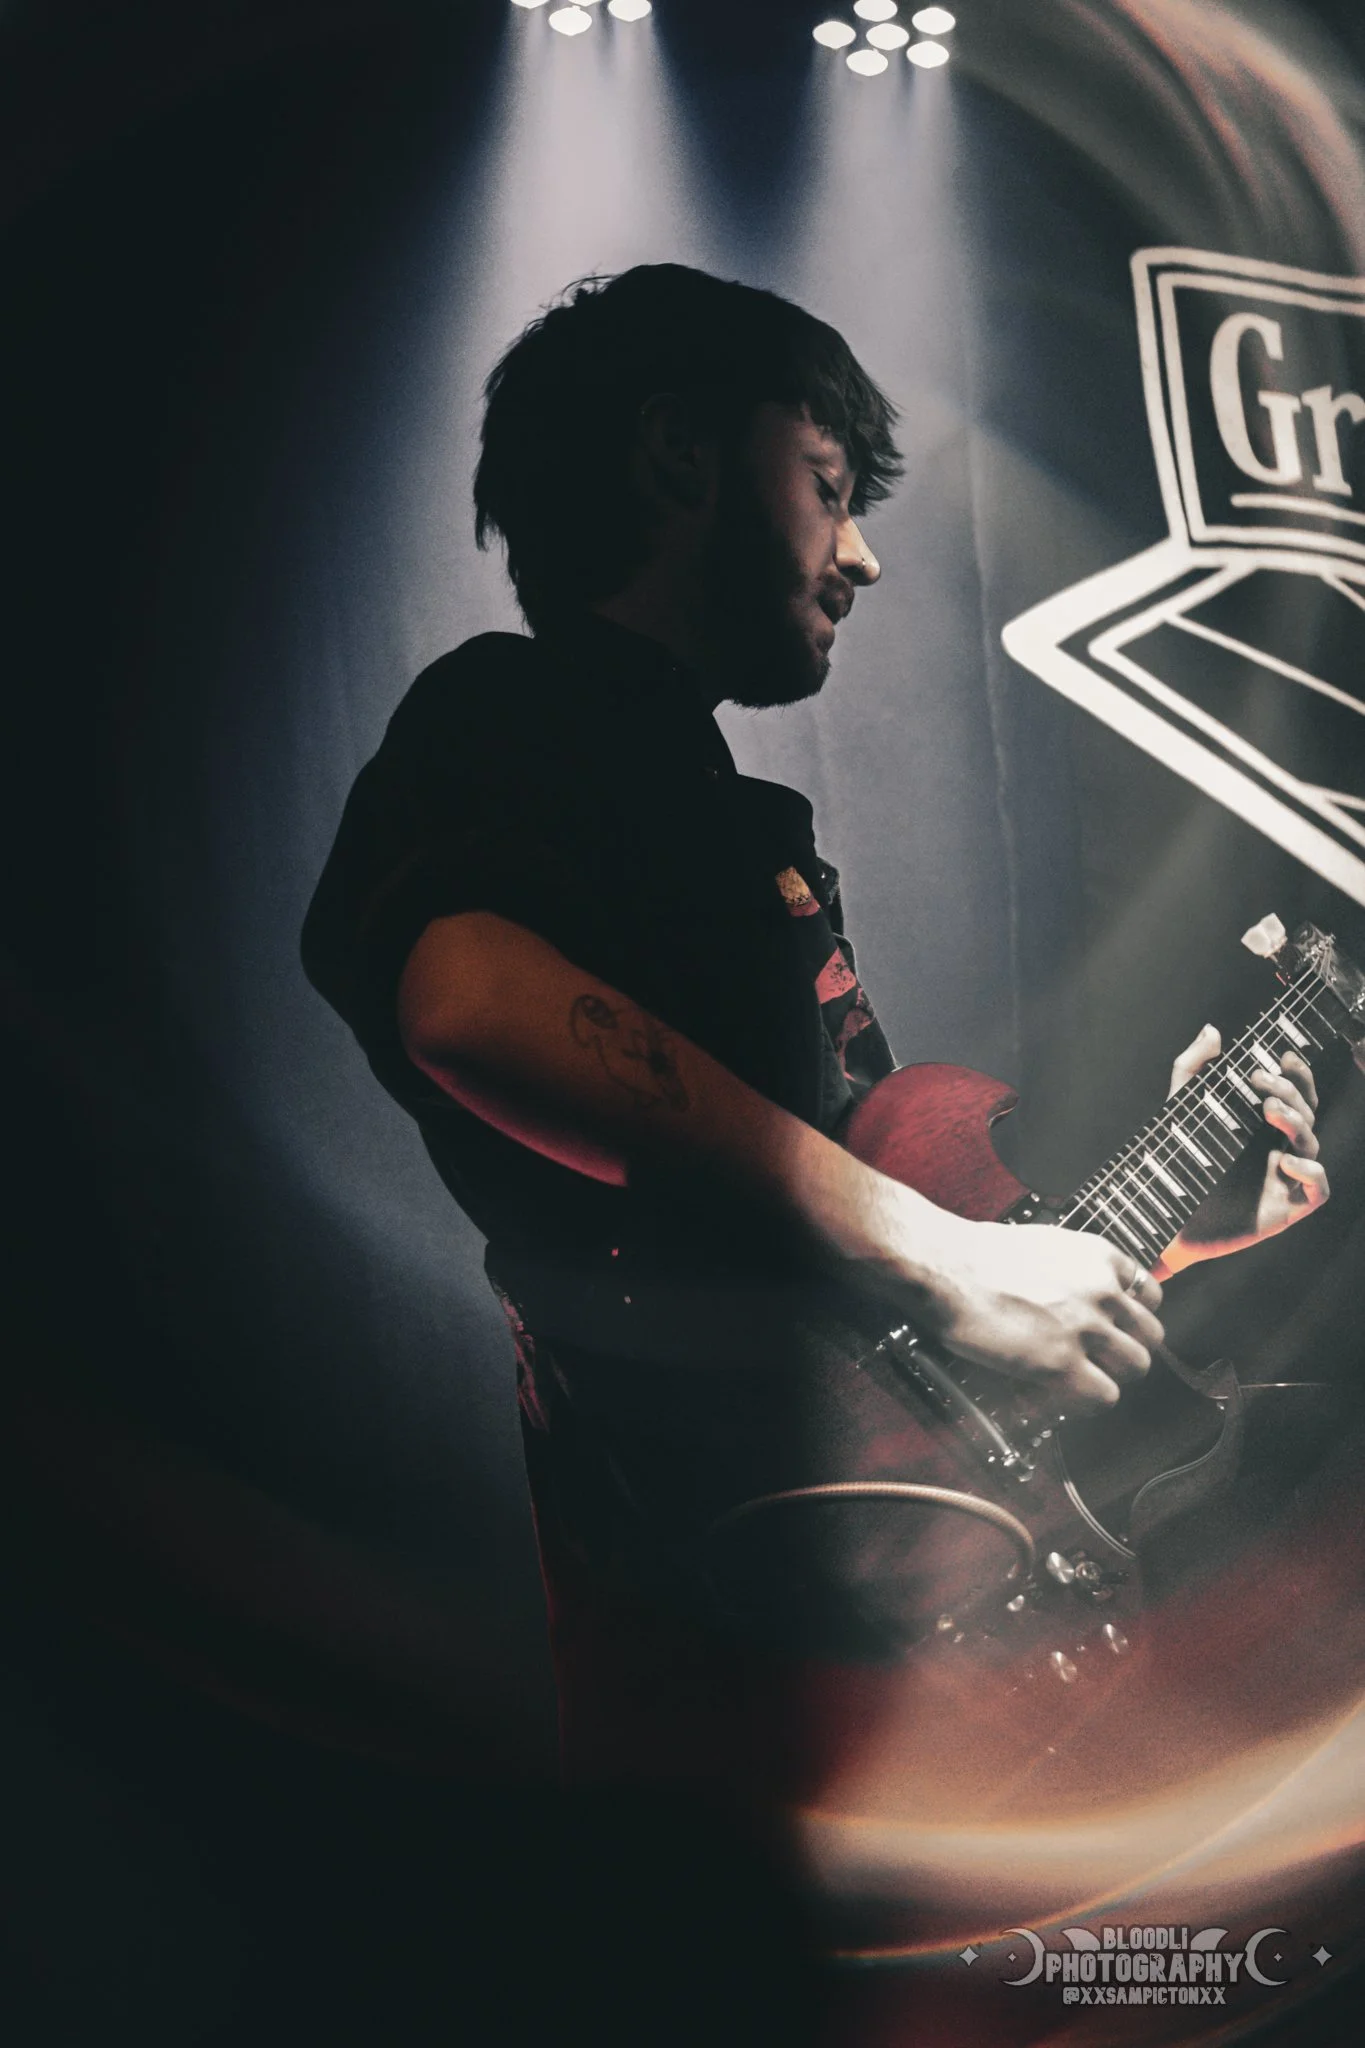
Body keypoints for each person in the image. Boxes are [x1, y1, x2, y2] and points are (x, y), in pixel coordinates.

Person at [301, 264, 1327, 1795]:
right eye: (831, 485)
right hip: (740, 1699)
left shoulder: (739, 823)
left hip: (926, 1672)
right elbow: (469, 1001)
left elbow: (883, 1280)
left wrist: (1154, 1241)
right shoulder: (511, 711)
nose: (861, 557)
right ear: (680, 456)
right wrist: (943, 1254)